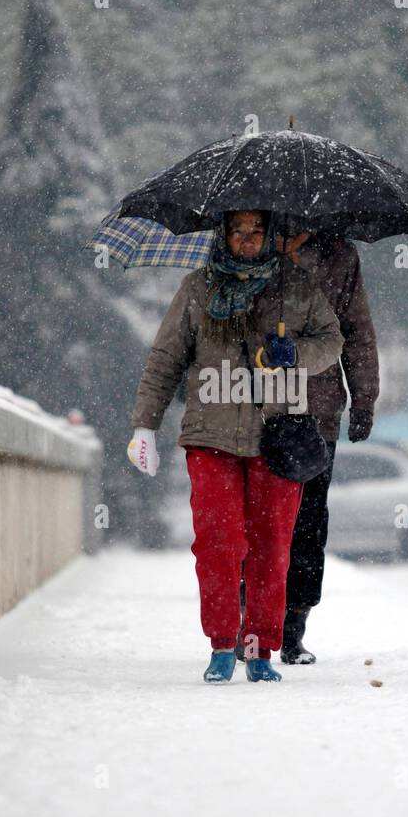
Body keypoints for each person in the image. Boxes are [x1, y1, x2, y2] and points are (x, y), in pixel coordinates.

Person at [127, 208, 343, 684]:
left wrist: (296, 356)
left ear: (270, 236)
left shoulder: (296, 286)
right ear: (223, 235)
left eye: (257, 230)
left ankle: (261, 647)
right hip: (211, 437)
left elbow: (333, 341)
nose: (247, 239)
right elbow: (165, 358)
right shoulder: (198, 288)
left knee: (272, 547)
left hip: (277, 437)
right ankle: (223, 643)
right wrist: (145, 425)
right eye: (237, 230)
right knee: (219, 545)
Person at [263, 226, 380, 664]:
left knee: (308, 523)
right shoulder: (249, 239)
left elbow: (357, 329)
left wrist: (364, 398)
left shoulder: (340, 255)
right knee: (257, 520)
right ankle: (250, 622)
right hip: (257, 404)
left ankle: (293, 627)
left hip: (318, 408)